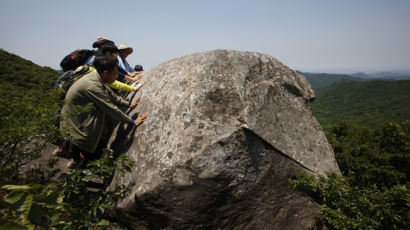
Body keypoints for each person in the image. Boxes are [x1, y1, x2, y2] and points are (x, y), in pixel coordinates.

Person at [56, 55, 148, 169]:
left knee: (89, 150)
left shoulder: (95, 76)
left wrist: (128, 104)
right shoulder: (92, 85)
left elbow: (109, 92)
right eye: (115, 74)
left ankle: (76, 164)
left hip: (78, 119)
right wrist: (132, 121)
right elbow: (109, 107)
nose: (116, 77)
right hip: (77, 123)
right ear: (105, 73)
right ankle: (79, 178)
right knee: (94, 153)